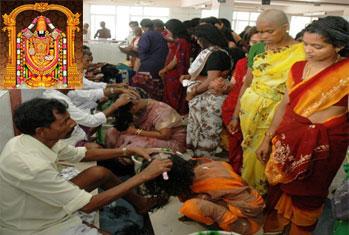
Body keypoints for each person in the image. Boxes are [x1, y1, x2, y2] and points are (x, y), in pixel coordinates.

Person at [0, 98, 172, 235]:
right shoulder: (31, 165)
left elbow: (83, 154)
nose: (73, 123)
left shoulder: (35, 140)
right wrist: (143, 176)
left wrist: (127, 150)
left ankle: (141, 203)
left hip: (43, 203)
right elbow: (88, 205)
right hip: (35, 226)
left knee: (99, 173)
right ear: (41, 131)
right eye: (64, 122)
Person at [255, 16, 349, 234]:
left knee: (309, 194)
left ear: (340, 45)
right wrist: (267, 137)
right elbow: (284, 105)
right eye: (306, 44)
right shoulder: (297, 68)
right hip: (288, 138)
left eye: (318, 46)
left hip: (326, 143)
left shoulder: (345, 72)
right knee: (279, 188)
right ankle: (280, 227)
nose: (309, 50)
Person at [228, 9, 306, 194]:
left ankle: (263, 196)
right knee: (250, 153)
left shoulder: (302, 52)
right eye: (260, 31)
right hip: (249, 113)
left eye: (269, 31)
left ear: (285, 28)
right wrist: (235, 115)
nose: (263, 36)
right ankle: (251, 193)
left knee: (268, 155)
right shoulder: (258, 48)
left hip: (277, 115)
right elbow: (247, 83)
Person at [142, 153, 265, 234]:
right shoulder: (199, 164)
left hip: (249, 220)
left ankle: (225, 230)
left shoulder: (210, 183)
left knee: (190, 207)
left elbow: (254, 207)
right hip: (242, 202)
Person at [182, 23, 231, 156]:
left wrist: (194, 91)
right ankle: (199, 158)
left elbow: (211, 80)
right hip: (204, 98)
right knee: (199, 130)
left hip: (210, 100)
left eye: (198, 38)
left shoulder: (216, 54)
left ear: (206, 38)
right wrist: (190, 78)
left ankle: (206, 161)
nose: (197, 41)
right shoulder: (212, 53)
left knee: (208, 133)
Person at [221, 27, 261, 174]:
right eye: (254, 42)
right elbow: (233, 84)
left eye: (262, 42)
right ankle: (235, 171)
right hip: (234, 106)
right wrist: (222, 86)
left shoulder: (272, 67)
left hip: (256, 113)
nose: (257, 46)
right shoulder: (242, 62)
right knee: (235, 146)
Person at [105, 97, 186, 153]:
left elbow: (165, 135)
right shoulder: (138, 108)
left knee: (134, 145)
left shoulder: (160, 110)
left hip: (172, 141)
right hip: (150, 134)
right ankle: (111, 157)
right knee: (112, 132)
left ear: (133, 106)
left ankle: (125, 167)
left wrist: (135, 131)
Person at [130, 19, 168, 100]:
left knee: (140, 85)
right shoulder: (160, 34)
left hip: (148, 65)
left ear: (143, 27)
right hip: (161, 63)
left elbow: (143, 50)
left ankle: (144, 101)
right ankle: (155, 100)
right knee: (156, 84)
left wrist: (132, 51)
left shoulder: (146, 35)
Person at [159, 19, 191, 115]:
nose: (166, 31)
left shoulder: (181, 41)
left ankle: (172, 117)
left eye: (167, 29)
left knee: (173, 95)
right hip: (173, 73)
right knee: (173, 95)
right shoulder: (181, 40)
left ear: (173, 29)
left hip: (175, 73)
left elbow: (176, 60)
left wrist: (164, 70)